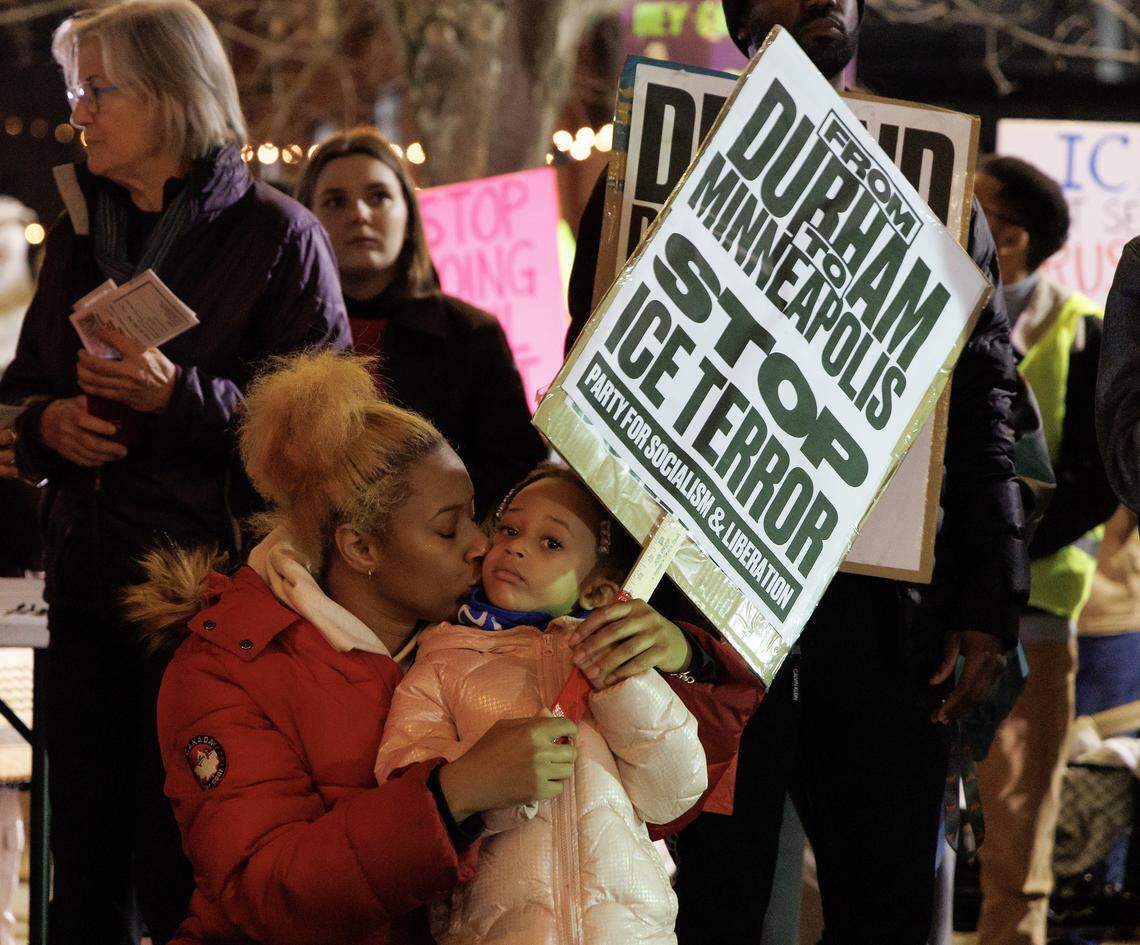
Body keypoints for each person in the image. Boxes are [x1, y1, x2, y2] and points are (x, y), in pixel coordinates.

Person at [567, 2, 1030, 942]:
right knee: (710, 903)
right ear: (739, 16)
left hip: (886, 624)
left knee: (887, 902)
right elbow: (597, 381)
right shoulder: (655, 163)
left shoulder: (931, 177)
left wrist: (993, 593)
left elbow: (981, 399)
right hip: (702, 621)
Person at [124, 350, 758, 945]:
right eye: (449, 528)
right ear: (361, 549)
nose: (484, 545)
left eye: (480, 517)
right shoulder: (226, 669)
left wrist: (682, 659)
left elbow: (659, 800)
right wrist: (451, 798)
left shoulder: (497, 632)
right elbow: (261, 890)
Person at [0, 2, 349, 941]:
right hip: (84, 599)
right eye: (76, 93)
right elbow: (20, 393)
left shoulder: (281, 238)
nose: (78, 115)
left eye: (96, 91)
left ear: (171, 92)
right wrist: (50, 424)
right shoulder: (81, 235)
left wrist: (183, 397)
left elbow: (329, 439)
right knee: (81, 876)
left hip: (211, 612)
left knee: (187, 874)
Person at [375, 464, 707, 944]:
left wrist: (622, 686)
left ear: (596, 590)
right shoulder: (442, 661)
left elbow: (672, 791)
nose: (517, 546)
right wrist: (488, 785)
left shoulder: (614, 665)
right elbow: (406, 784)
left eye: (552, 543)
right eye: (509, 529)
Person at [972, 155, 1116, 945]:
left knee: (1019, 823)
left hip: (1034, 619)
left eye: (975, 206)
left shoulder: (1083, 332)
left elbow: (1097, 479)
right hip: (925, 604)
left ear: (1013, 237)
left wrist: (1008, 550)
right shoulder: (930, 312)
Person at [296, 127, 547, 517]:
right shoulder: (286, 334)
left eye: (378, 197)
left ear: (408, 215)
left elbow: (516, 468)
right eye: (335, 201)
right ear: (307, 220)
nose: (359, 214)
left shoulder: (471, 335)